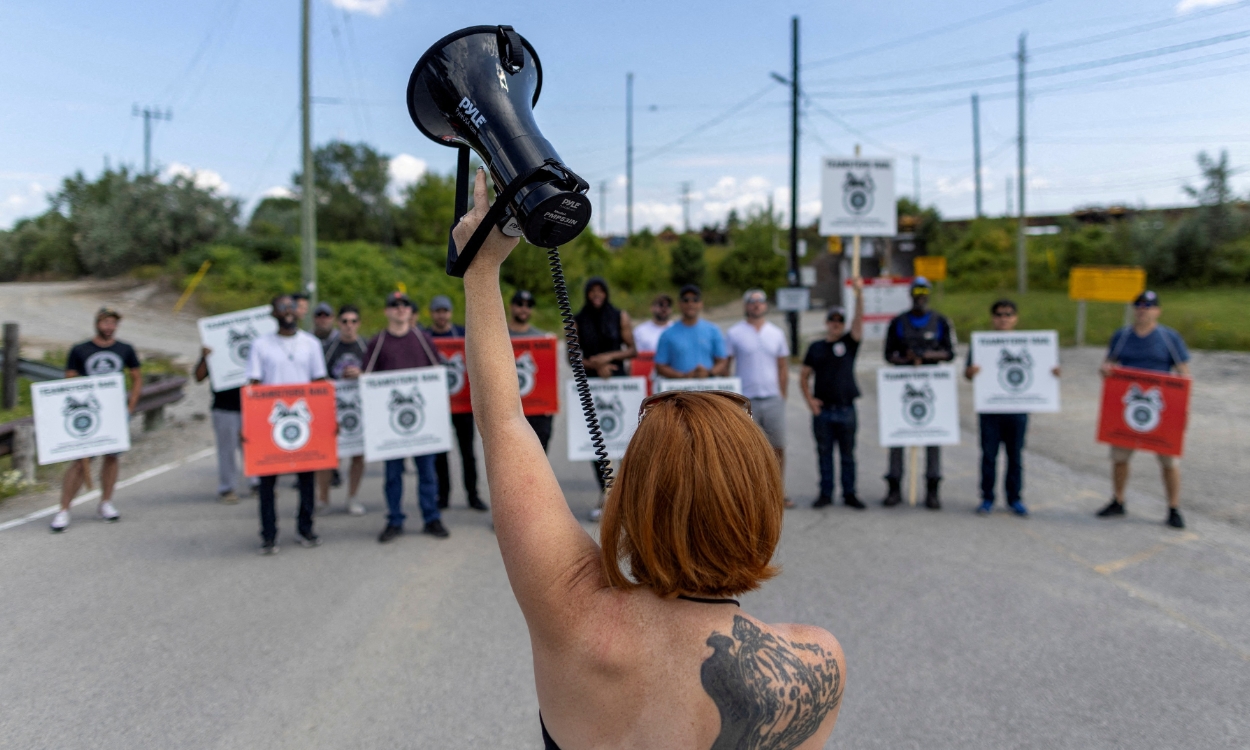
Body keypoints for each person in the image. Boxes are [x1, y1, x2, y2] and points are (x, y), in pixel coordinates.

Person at [455, 168, 845, 750]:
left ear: (633, 503)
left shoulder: (575, 616)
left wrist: (481, 269)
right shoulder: (819, 662)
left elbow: (504, 423)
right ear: (763, 506)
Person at [1096, 290, 1191, 529]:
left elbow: (1184, 374)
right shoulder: (1122, 336)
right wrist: (1105, 371)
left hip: (1161, 408)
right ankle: (1118, 500)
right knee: (1119, 458)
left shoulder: (1169, 337)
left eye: (1148, 306)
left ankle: (1173, 507)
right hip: (1128, 407)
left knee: (1169, 462)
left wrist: (1183, 410)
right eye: (1138, 306)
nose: (1142, 310)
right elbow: (1109, 366)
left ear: (1157, 310)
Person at [244, 295, 327, 554]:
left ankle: (306, 528)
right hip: (271, 423)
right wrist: (249, 425)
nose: (288, 312)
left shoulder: (310, 344)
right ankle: (268, 534)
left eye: (291, 307)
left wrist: (326, 421)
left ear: (298, 312)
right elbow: (254, 384)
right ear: (273, 313)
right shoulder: (261, 345)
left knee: (306, 481)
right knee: (267, 483)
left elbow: (320, 381)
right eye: (282, 308)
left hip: (304, 421)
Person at [49, 307, 144, 532]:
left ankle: (106, 502)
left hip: (114, 411)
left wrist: (130, 406)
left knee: (112, 457)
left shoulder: (125, 349)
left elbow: (136, 377)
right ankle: (64, 509)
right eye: (105, 323)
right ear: (97, 324)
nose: (109, 327)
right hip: (89, 412)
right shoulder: (80, 349)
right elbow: (70, 380)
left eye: (113, 323)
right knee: (82, 460)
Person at [365, 291, 450, 542]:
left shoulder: (422, 339)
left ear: (410, 311)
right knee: (392, 475)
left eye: (404, 305)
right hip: (391, 425)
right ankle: (394, 519)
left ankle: (431, 518)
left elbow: (437, 375)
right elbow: (366, 377)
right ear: (387, 311)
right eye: (394, 305)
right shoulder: (377, 341)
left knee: (427, 474)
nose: (400, 309)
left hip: (422, 422)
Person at [965, 299, 1061, 518]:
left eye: (1008, 314)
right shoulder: (982, 345)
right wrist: (972, 371)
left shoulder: (1030, 344)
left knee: (1015, 456)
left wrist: (1053, 373)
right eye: (999, 314)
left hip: (1018, 409)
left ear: (1015, 318)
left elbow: (1047, 369)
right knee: (989, 456)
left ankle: (1015, 498)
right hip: (990, 409)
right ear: (992, 318)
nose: (1003, 318)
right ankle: (987, 497)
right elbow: (967, 375)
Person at [882, 276, 956, 509]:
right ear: (911, 295)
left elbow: (949, 352)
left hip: (931, 385)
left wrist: (925, 357)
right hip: (903, 386)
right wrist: (906, 358)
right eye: (917, 293)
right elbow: (888, 354)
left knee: (933, 437)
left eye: (924, 293)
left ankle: (933, 489)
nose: (920, 297)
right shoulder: (898, 322)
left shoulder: (940, 321)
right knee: (898, 435)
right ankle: (894, 486)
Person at [574, 277, 636, 516]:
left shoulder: (619, 316)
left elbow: (632, 349)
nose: (596, 295)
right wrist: (592, 363)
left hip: (617, 383)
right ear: (587, 294)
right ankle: (606, 493)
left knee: (623, 439)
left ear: (606, 293)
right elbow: (572, 356)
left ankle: (626, 498)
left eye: (601, 291)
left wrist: (607, 359)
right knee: (596, 442)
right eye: (592, 291)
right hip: (592, 384)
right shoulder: (578, 320)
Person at [801, 279, 866, 510]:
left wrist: (859, 296)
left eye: (840, 321)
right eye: (833, 320)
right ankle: (825, 492)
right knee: (824, 455)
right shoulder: (816, 347)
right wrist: (809, 400)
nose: (836, 324)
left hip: (846, 408)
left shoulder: (849, 343)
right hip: (824, 410)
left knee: (848, 455)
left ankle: (850, 493)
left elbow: (858, 325)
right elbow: (804, 376)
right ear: (827, 322)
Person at [725, 289, 792, 508]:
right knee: (746, 449)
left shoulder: (776, 333)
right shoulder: (735, 333)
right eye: (752, 302)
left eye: (760, 302)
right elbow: (726, 366)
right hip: (746, 400)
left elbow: (782, 366)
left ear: (765, 306)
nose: (756, 305)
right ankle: (749, 495)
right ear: (746, 306)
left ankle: (777, 493)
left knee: (777, 447)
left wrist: (783, 393)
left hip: (772, 397)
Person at [427, 294, 487, 512]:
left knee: (467, 452)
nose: (441, 315)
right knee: (440, 454)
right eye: (437, 311)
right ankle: (443, 495)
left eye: (445, 311)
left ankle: (473, 495)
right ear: (431, 313)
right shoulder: (425, 336)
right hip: (437, 406)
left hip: (463, 404)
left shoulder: (462, 333)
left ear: (450, 313)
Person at [317, 304, 367, 516]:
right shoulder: (328, 348)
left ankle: (352, 498)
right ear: (339, 323)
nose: (349, 325)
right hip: (332, 410)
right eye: (345, 321)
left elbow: (376, 377)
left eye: (353, 321)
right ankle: (323, 499)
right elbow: (317, 377)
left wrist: (361, 374)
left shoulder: (366, 347)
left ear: (359, 324)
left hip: (358, 411)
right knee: (328, 457)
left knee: (358, 456)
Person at [194, 346, 259, 505]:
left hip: (252, 405)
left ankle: (258, 484)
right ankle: (227, 488)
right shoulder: (216, 348)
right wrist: (204, 357)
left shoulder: (255, 347)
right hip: (224, 406)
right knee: (226, 450)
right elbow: (199, 376)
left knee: (254, 448)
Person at [507, 289, 554, 454]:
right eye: (520, 304)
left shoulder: (542, 338)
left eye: (528, 306)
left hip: (537, 410)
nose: (524, 309)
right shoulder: (500, 335)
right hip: (510, 409)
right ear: (511, 306)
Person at [654, 284, 728, 380]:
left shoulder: (713, 330)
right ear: (679, 304)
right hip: (679, 390)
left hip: (707, 388)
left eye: (695, 300)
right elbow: (660, 366)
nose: (690, 303)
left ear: (701, 303)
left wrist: (709, 373)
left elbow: (722, 360)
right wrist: (683, 376)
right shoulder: (667, 334)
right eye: (686, 300)